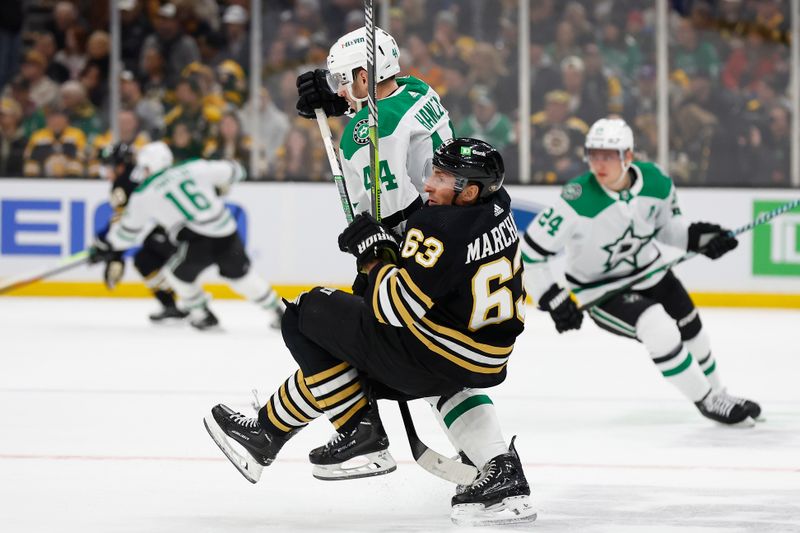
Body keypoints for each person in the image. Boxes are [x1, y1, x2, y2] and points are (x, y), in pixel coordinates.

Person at [205, 139, 536, 525]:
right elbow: (444, 268)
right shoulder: (498, 206)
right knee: (345, 364)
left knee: (307, 314)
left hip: (436, 351)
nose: (428, 184)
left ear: (470, 191)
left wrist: (373, 259)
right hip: (484, 355)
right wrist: (393, 252)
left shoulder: (439, 226)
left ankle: (360, 434)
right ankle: (503, 471)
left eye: (442, 177)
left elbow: (395, 308)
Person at [294, 27, 530, 519]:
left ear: (364, 74)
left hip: (424, 251)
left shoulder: (367, 138)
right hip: (471, 279)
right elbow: (389, 116)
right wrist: (344, 101)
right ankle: (500, 468)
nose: (339, 90)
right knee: (445, 377)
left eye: (346, 80)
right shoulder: (421, 90)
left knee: (320, 319)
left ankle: (360, 433)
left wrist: (373, 247)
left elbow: (382, 197)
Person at [520, 117, 760, 425]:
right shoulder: (577, 198)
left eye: (608, 155)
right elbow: (531, 252)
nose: (599, 163)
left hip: (652, 272)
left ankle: (720, 393)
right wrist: (552, 298)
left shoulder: (657, 182)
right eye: (594, 154)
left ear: (628, 156)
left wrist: (701, 238)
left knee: (693, 328)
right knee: (658, 327)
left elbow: (667, 229)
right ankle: (707, 401)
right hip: (602, 291)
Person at [89, 141, 284, 330]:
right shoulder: (194, 167)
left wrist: (106, 246)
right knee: (242, 276)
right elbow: (236, 170)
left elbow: (126, 233)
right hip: (226, 231)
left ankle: (202, 314)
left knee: (176, 275)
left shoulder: (144, 193)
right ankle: (278, 311)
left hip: (198, 239)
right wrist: (222, 183)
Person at [91, 142, 186, 322]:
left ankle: (193, 302)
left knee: (157, 249)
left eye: (108, 166)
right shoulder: (142, 172)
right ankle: (171, 305)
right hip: (177, 225)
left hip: (184, 228)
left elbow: (124, 223)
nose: (105, 171)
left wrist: (113, 252)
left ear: (119, 165)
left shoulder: (123, 184)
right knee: (145, 260)